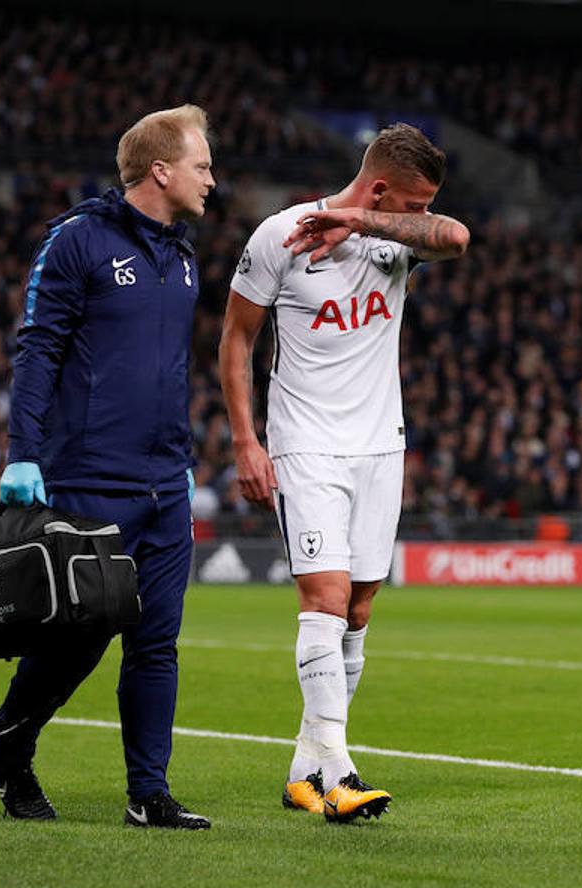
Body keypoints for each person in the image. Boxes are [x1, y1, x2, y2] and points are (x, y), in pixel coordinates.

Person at [219, 124, 470, 822]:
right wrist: (246, 439)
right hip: (305, 444)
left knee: (357, 610)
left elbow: (457, 239)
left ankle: (306, 768)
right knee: (325, 599)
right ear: (385, 184)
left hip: (380, 445)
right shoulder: (282, 235)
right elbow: (237, 336)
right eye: (415, 201)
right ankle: (340, 772)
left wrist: (361, 220)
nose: (421, 216)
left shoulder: (395, 236)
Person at [0, 104, 215, 829]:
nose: (213, 179)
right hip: (87, 481)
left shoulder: (182, 258)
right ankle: (9, 749)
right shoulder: (76, 240)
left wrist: (181, 462)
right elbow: (38, 348)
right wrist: (23, 456)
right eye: (203, 165)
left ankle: (149, 794)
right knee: (74, 643)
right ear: (161, 170)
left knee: (157, 642)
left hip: (165, 486)